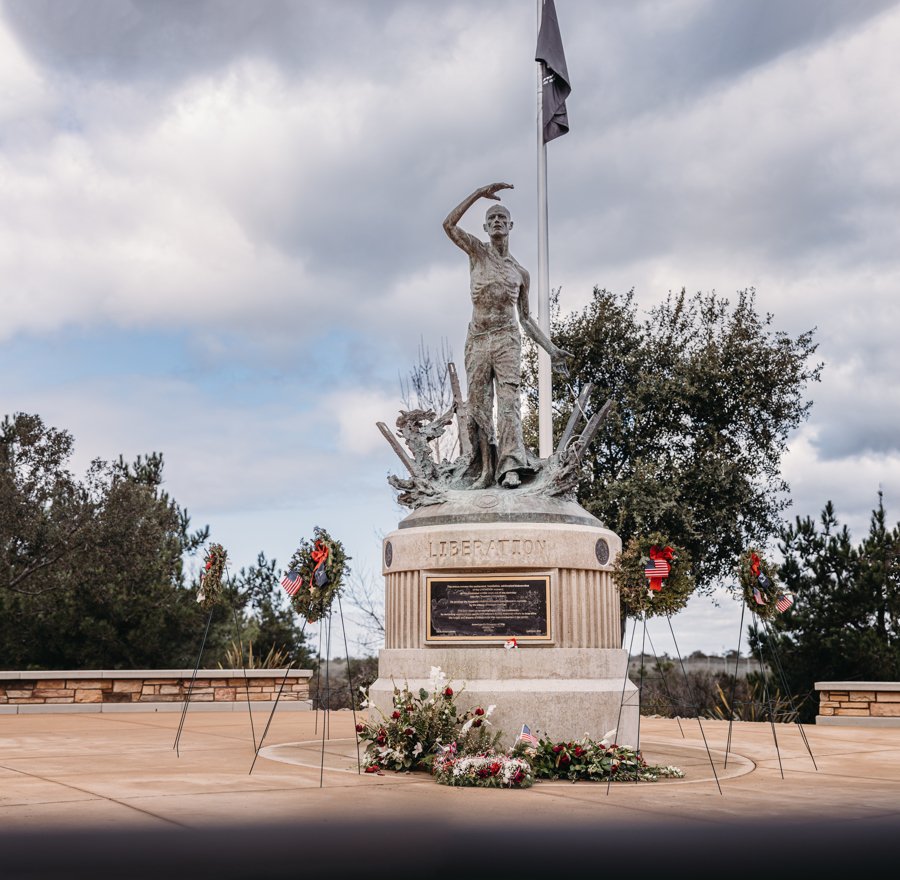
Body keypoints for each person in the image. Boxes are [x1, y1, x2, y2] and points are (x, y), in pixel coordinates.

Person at [443, 182, 570, 489]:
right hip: (478, 338)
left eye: (502, 217)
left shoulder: (520, 273)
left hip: (507, 338)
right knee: (479, 407)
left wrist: (552, 350)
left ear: (511, 226)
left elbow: (525, 318)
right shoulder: (477, 252)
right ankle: (486, 469)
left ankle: (510, 466)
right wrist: (477, 194)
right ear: (486, 227)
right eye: (492, 218)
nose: (497, 221)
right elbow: (448, 224)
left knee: (509, 402)